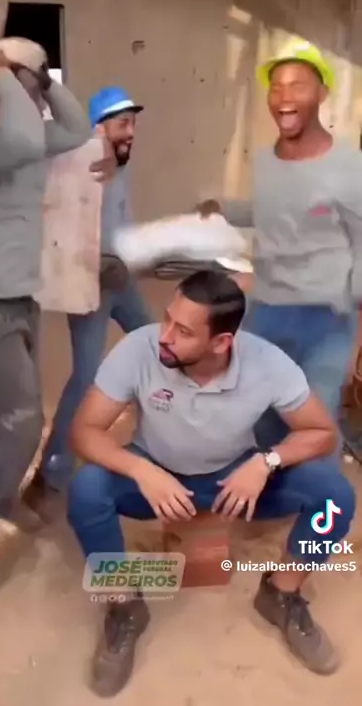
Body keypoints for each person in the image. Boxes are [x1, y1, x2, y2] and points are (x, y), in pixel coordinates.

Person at [67, 269, 354, 697]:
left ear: (221, 343)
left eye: (183, 331)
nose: (164, 336)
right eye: (168, 318)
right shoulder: (140, 349)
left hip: (233, 478)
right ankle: (124, 606)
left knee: (334, 498)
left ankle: (281, 593)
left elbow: (321, 433)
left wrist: (266, 462)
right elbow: (84, 431)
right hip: (156, 474)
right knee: (87, 490)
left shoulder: (267, 363)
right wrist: (142, 471)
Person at [0, 37, 114, 592]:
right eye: (25, 87)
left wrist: (44, 78)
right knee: (13, 427)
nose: (33, 100)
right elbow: (25, 135)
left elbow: (76, 130)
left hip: (14, 302)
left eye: (34, 88)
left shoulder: (23, 143)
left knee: (20, 421)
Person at [199, 38, 362, 452]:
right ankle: (273, 486)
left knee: (316, 427)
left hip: (325, 318)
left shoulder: (349, 167)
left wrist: (358, 332)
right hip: (267, 311)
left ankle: (322, 495)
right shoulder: (266, 161)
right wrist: (225, 209)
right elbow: (273, 210)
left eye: (298, 86)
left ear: (322, 93)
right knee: (264, 419)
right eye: (277, 87)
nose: (284, 98)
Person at [24, 86, 151, 503]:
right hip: (90, 284)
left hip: (121, 280)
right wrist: (93, 262)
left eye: (133, 124)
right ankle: (50, 476)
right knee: (86, 377)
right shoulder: (76, 163)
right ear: (98, 128)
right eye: (123, 124)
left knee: (157, 345)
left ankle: (163, 442)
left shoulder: (120, 162)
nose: (131, 132)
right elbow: (56, 223)